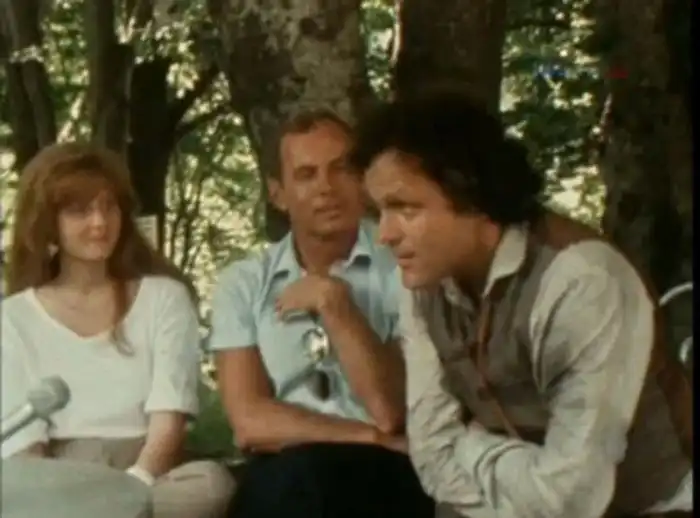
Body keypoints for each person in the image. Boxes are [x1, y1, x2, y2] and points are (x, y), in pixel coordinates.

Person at [350, 90, 693, 518]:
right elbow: (432, 456)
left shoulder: (579, 280)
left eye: (404, 207)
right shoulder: (424, 284)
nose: (385, 234)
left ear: (471, 194)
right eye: (379, 211)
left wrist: (471, 445)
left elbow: (572, 499)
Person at [209, 109, 434, 518]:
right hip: (286, 469)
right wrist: (364, 435)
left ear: (363, 178)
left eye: (341, 168)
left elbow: (390, 410)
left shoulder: (405, 265)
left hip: (387, 471)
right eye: (306, 175)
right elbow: (249, 421)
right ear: (278, 194)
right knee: (293, 485)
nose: (326, 188)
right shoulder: (244, 283)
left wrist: (336, 305)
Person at [1, 143, 235, 518]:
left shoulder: (165, 297)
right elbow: (25, 453)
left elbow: (169, 423)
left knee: (209, 485)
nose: (100, 222)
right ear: (47, 222)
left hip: (149, 476)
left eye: (109, 207)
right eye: (80, 211)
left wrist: (129, 493)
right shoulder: (12, 317)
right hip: (58, 480)